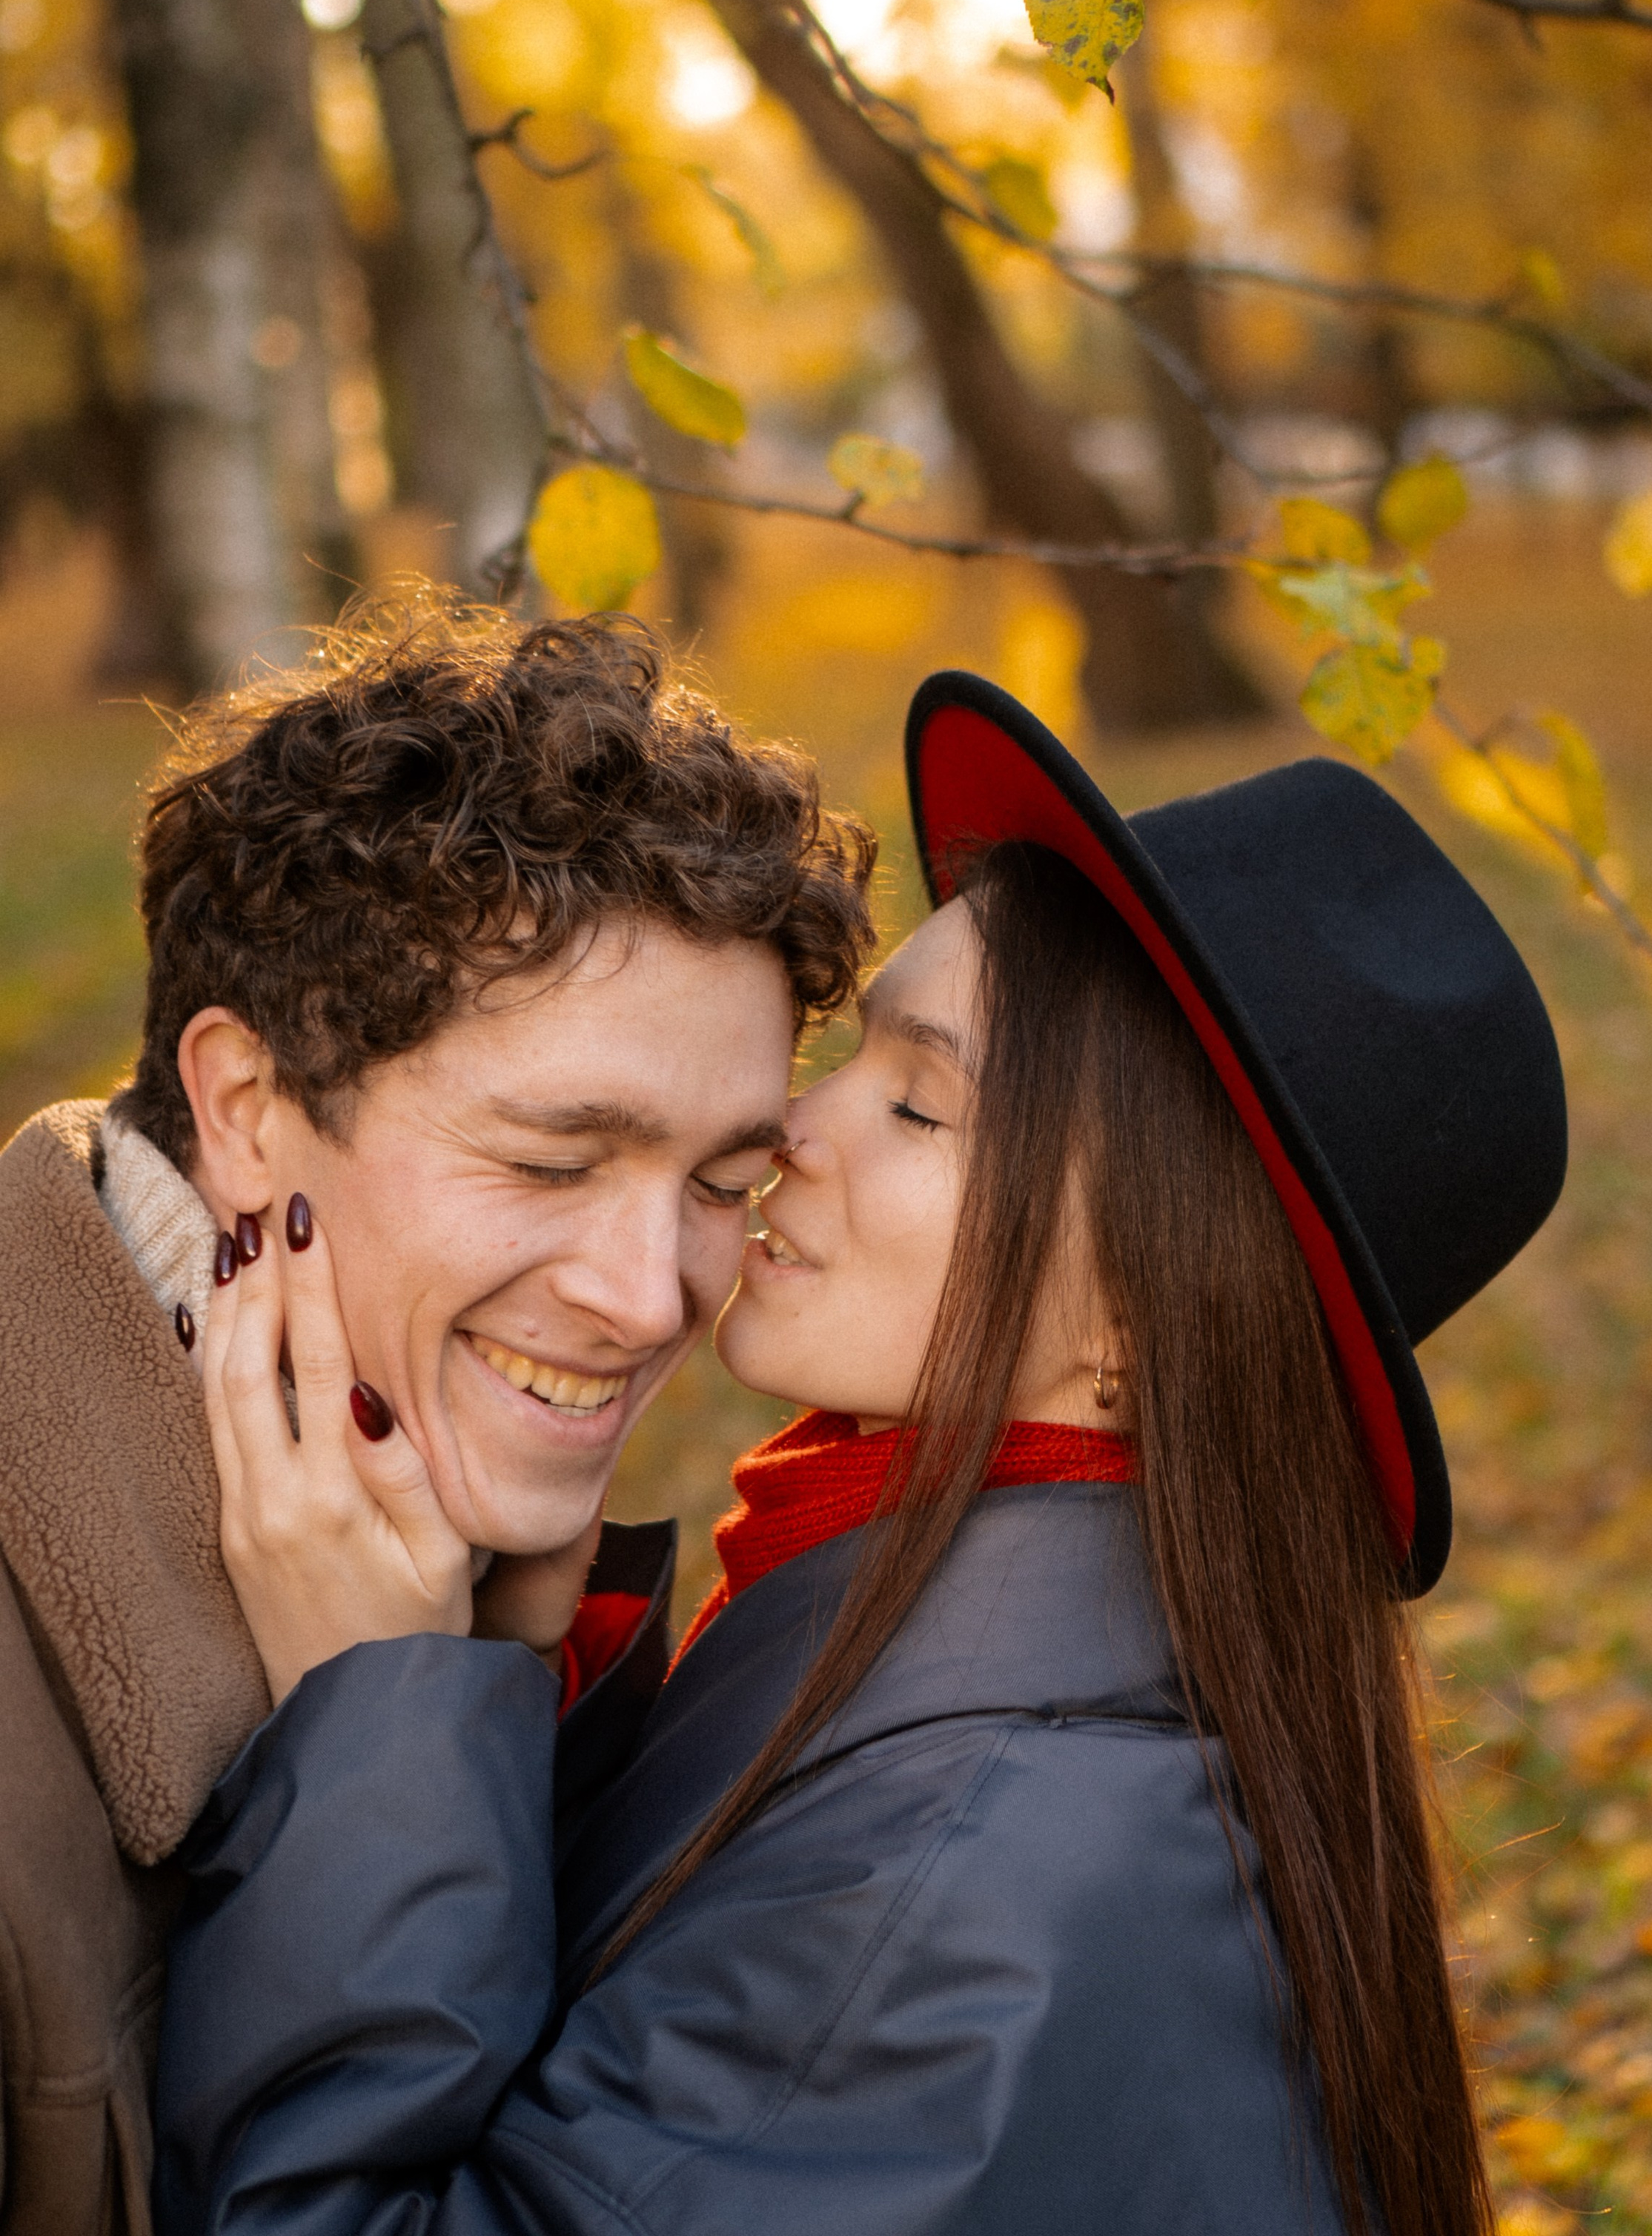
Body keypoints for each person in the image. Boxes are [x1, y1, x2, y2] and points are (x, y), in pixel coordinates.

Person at [153, 671, 1568, 2236]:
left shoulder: (973, 1871)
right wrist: (520, 1689)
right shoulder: (949, 1654)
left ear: (1143, 1333)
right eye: (856, 1060)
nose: (788, 1137)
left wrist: (380, 1731)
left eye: (917, 1106)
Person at [0, 593, 873, 2236]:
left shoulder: (487, 1596)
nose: (648, 1294)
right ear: (249, 1110)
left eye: (722, 1181)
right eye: (550, 1160)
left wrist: (499, 1699)